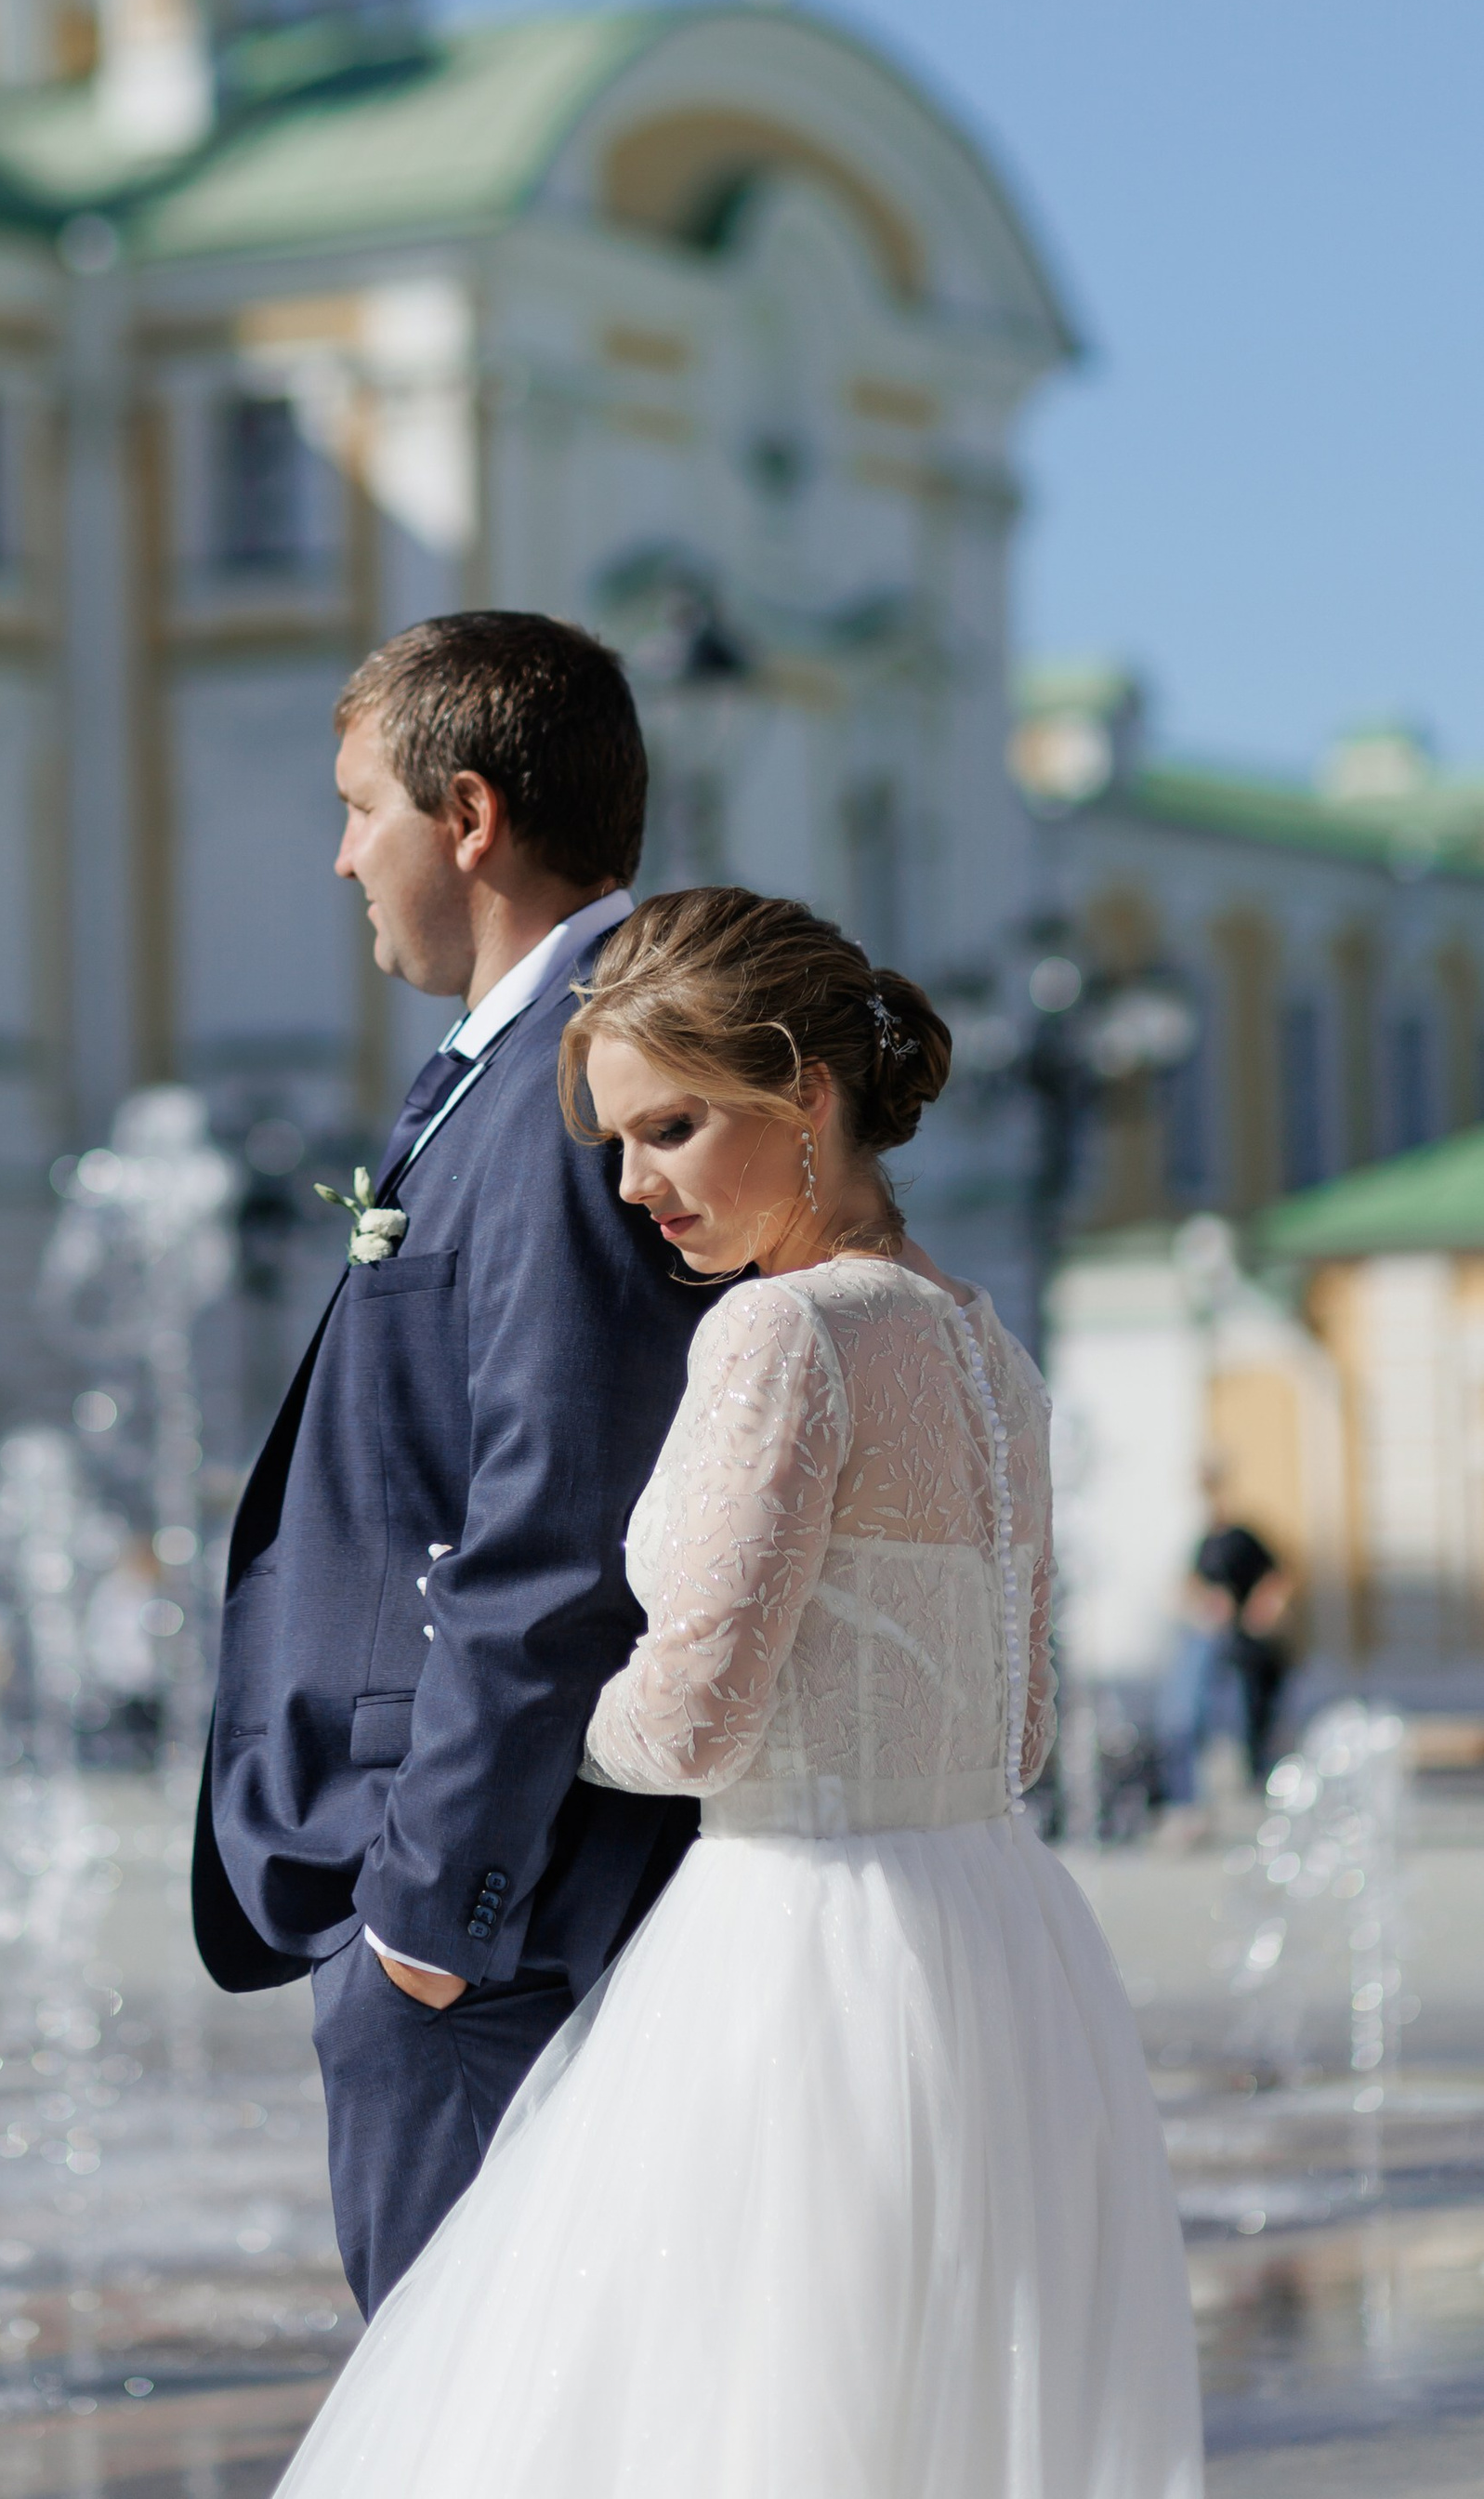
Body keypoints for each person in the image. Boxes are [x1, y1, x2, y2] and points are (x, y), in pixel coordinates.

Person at [274, 887, 1204, 2499]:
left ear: (807, 1092)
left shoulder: (782, 1334)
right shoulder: (990, 1351)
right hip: (1004, 1945)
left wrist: (514, 1721)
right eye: (621, 1143)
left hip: (795, 1944)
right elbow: (1024, 1727)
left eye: (674, 1128)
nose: (635, 1185)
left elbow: (692, 1720)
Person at [193, 612, 732, 2317]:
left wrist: (433, 1913)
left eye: (363, 807)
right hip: (470, 1910)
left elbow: (558, 1524)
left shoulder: (588, 1076)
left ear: (470, 816)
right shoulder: (518, 1060)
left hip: (489, 1928)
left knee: (475, 2406)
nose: (344, 856)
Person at [1160, 1461, 1296, 1805]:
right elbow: (1191, 1587)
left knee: (1249, 1721)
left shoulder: (1241, 1537)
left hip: (1244, 1647)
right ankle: (1197, 1795)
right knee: (1195, 1717)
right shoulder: (1205, 1543)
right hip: (1217, 1645)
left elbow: (1277, 1578)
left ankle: (1256, 1782)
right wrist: (1201, 1602)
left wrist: (1259, 1609)